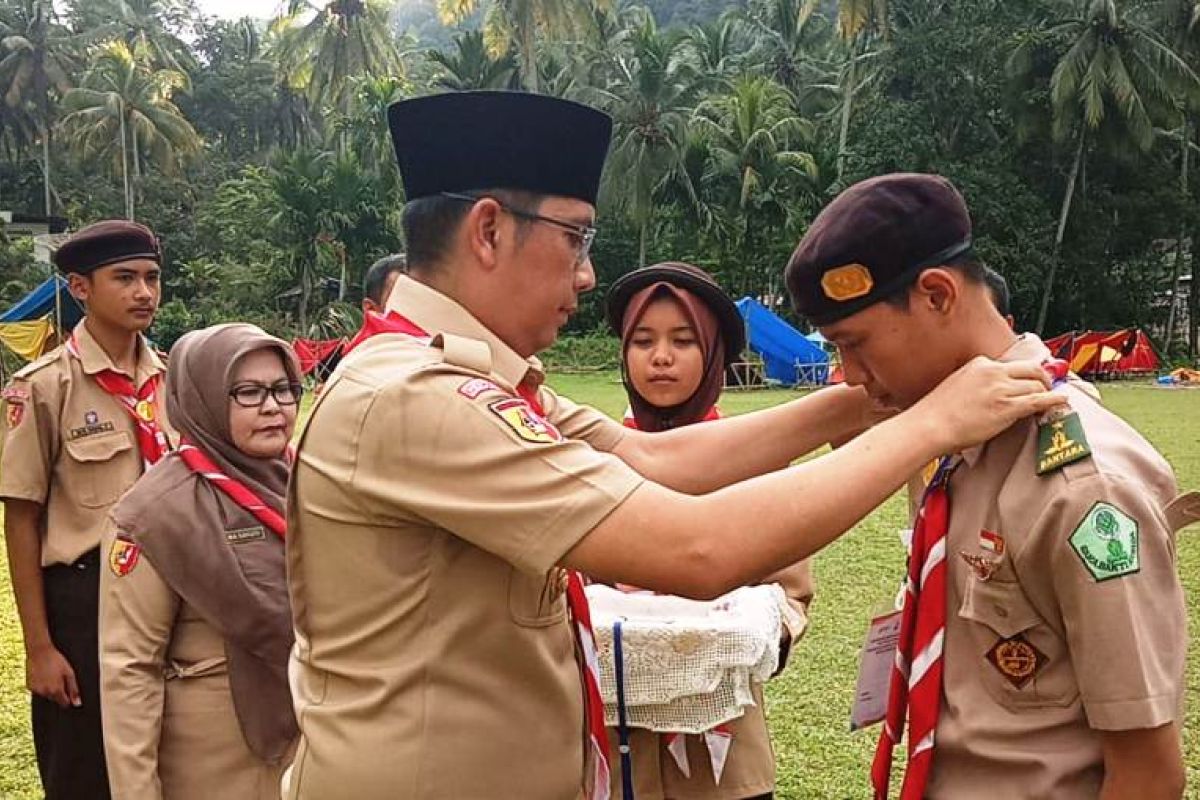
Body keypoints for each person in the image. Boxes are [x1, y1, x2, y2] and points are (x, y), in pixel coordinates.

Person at [283, 91, 1063, 800]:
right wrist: (929, 424)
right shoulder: (418, 398)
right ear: (489, 230)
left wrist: (863, 401)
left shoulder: (479, 381)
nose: (587, 274)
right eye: (576, 238)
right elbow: (697, 549)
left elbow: (657, 462)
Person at [784, 172, 1194, 800]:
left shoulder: (1084, 486)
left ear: (938, 294)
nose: (850, 376)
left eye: (855, 344)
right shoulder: (945, 439)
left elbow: (1148, 774)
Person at [604, 261, 813, 800]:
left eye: (683, 340)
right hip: (607, 746)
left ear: (714, 352)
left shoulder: (756, 462)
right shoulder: (594, 459)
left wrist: (750, 634)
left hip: (722, 757)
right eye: (643, 340)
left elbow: (791, 596)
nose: (661, 357)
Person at [0, 220, 172, 800]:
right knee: (83, 765)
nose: (143, 292)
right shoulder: (44, 387)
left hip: (170, 591)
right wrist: (41, 648)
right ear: (79, 288)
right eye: (124, 278)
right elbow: (21, 518)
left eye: (151, 277)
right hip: (85, 599)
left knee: (165, 752)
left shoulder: (172, 378)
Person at [99, 324, 301, 800]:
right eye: (247, 392)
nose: (272, 406)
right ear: (203, 396)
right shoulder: (156, 513)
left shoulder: (309, 480)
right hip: (215, 761)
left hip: (315, 738)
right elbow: (129, 668)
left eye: (283, 388)